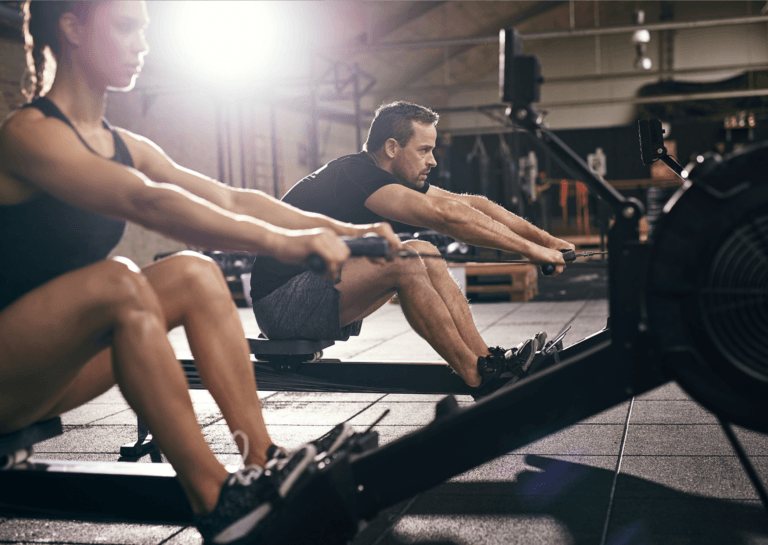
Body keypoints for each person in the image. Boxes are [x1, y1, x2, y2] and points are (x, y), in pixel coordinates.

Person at [0, 1, 401, 543]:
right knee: (119, 281)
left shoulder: (124, 145)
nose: (142, 44)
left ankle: (263, 461)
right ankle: (216, 500)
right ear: (71, 27)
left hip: (52, 374)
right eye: (126, 27)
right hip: (8, 373)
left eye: (144, 29)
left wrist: (346, 232)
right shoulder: (27, 135)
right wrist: (285, 244)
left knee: (194, 272)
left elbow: (232, 197)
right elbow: (147, 203)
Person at [251, 101, 576, 399]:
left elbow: (475, 205)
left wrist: (545, 240)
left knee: (423, 250)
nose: (432, 160)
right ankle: (478, 377)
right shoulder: (354, 175)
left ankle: (489, 362)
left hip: (314, 288)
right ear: (392, 147)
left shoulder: (383, 175)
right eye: (424, 150)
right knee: (404, 261)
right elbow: (447, 217)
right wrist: (530, 251)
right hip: (281, 303)